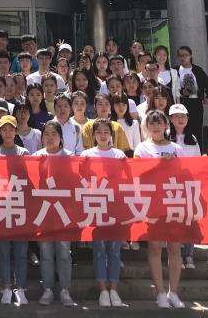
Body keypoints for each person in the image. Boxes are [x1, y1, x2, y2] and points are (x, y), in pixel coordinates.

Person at [135, 111, 186, 309]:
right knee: (155, 248)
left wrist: (172, 165)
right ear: (147, 126)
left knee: (175, 248)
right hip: (153, 202)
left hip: (174, 200)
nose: (156, 127)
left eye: (159, 123)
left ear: (166, 125)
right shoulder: (142, 147)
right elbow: (137, 172)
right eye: (152, 123)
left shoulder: (176, 148)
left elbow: (185, 173)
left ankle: (174, 292)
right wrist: (159, 165)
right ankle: (160, 292)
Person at [82, 121, 126, 307]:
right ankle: (103, 290)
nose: (102, 135)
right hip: (95, 206)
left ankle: (114, 289)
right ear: (93, 135)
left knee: (115, 250)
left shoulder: (119, 155)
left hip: (115, 206)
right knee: (99, 250)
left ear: (111, 135)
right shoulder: (86, 155)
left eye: (106, 132)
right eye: (98, 132)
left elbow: (127, 179)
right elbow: (81, 180)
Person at [34, 122, 76, 307]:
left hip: (64, 212)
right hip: (44, 212)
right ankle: (48, 289)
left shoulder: (70, 157)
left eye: (54, 134)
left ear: (61, 137)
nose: (50, 137)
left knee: (64, 252)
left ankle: (65, 289)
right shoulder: (36, 157)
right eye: (46, 134)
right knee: (45, 252)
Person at [0, 115, 30, 305]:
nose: (8, 133)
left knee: (21, 251)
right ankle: (6, 287)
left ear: (16, 131)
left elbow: (29, 179)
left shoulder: (23, 152)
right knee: (4, 251)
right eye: (4, 129)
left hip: (20, 206)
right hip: (1, 207)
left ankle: (20, 288)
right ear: (0, 131)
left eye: (11, 129)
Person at [169, 103, 203, 269]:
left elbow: (197, 163)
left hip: (189, 184)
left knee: (190, 220)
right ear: (170, 119)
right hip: (170, 186)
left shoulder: (193, 139)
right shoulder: (166, 137)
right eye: (176, 116)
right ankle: (176, 256)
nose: (180, 119)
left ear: (188, 119)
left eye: (183, 116)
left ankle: (189, 255)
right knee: (174, 221)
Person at [170, 46, 208, 144]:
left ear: (190, 56)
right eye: (180, 55)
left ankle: (198, 149)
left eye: (185, 55)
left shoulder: (197, 70)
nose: (183, 58)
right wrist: (181, 92)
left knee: (197, 128)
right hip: (182, 103)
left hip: (196, 102)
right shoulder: (175, 70)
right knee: (182, 127)